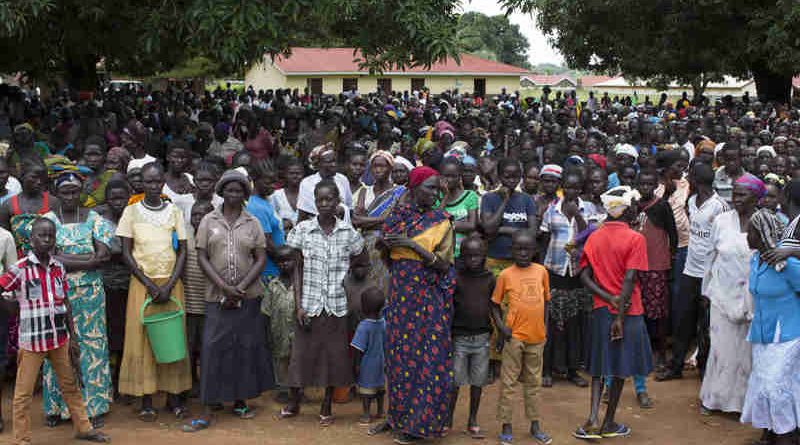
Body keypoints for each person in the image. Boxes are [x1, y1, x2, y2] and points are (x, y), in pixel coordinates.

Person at [0, 217, 109, 444]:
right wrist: (11, 307)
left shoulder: (58, 266)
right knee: (23, 395)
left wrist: (74, 337)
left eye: (51, 235)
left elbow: (65, 302)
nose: (47, 239)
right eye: (42, 235)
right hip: (31, 342)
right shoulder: (19, 269)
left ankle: (84, 428)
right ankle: (21, 439)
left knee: (71, 385)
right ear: (31, 239)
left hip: (59, 339)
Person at [185, 170, 273, 431]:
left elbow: (260, 258)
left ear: (245, 194)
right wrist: (224, 287)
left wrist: (241, 287)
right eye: (229, 190)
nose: (233, 195)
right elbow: (202, 257)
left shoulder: (253, 222)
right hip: (216, 297)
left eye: (239, 191)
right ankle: (208, 408)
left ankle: (240, 401)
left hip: (248, 297)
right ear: (221, 192)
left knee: (244, 348)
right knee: (212, 349)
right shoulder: (208, 220)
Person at [279, 179, 364, 426]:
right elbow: (296, 269)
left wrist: (351, 288)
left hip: (337, 305)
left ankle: (326, 404)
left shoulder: (349, 233)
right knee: (302, 354)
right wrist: (298, 305)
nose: (325, 204)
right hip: (310, 302)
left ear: (338, 202)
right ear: (314, 202)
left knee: (333, 356)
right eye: (320, 200)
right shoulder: (303, 230)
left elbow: (361, 262)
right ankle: (294, 400)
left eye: (329, 199)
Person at [381, 166, 455, 444]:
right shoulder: (398, 217)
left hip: (428, 298)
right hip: (401, 297)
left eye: (438, 189)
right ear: (413, 189)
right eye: (430, 188)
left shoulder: (442, 221)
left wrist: (414, 247)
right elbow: (386, 250)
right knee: (399, 356)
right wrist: (396, 246)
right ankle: (397, 417)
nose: (435, 194)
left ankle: (419, 425)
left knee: (427, 357)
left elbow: (445, 264)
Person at [574, 186, 652, 440]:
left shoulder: (594, 237)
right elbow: (630, 278)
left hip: (600, 308)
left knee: (598, 365)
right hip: (627, 312)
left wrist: (606, 297)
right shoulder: (635, 238)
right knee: (619, 367)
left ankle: (592, 419)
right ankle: (608, 423)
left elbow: (584, 276)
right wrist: (619, 313)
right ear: (625, 210)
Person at [116, 162, 192, 421]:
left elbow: (183, 249)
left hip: (170, 284)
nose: (153, 186)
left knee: (172, 340)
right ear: (141, 183)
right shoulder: (131, 211)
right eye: (148, 181)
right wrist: (148, 283)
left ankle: (174, 398)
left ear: (163, 183)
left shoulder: (174, 210)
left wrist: (169, 284)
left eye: (158, 181)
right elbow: (126, 252)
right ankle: (146, 400)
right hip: (142, 284)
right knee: (142, 339)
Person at [42, 172, 114, 429]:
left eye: (75, 191)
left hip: (91, 295)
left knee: (92, 345)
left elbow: (103, 255)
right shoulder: (48, 221)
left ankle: (94, 406)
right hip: (59, 293)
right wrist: (88, 260)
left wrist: (66, 259)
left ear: (81, 192)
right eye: (65, 192)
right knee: (59, 346)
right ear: (57, 194)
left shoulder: (96, 219)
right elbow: (49, 258)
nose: (71, 197)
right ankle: (57, 407)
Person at [699, 174, 763, 415]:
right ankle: (713, 399)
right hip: (721, 295)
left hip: (752, 299)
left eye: (742, 195)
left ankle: (742, 404)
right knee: (720, 350)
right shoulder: (722, 221)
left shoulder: (764, 222)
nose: (736, 199)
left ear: (756, 198)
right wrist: (705, 291)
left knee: (746, 354)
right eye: (734, 194)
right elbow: (710, 257)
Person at [658, 162, 728, 381]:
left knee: (706, 324)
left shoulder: (719, 206)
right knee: (682, 321)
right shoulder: (691, 201)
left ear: (697, 181)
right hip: (690, 270)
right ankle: (676, 366)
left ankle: (704, 368)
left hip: (710, 274)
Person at [740, 209, 799, 445]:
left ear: (762, 233)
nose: (746, 234)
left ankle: (786, 436)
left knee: (776, 386)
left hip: (788, 333)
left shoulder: (788, 264)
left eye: (751, 231)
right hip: (763, 332)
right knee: (762, 384)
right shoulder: (756, 260)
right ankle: (771, 435)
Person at [539, 171, 600, 388]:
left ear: (580, 189)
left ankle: (572, 371)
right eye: (568, 187)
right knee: (552, 323)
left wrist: (578, 216)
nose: (572, 191)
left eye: (576, 188)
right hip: (554, 271)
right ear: (562, 187)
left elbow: (592, 236)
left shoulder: (588, 209)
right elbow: (545, 240)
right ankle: (547, 370)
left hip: (576, 273)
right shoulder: (551, 209)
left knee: (574, 325)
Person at [491, 231, 552, 445]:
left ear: (535, 251)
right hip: (513, 337)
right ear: (512, 250)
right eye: (518, 249)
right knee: (508, 382)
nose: (523, 253)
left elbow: (546, 301)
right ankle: (506, 425)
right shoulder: (505, 275)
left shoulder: (542, 272)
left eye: (527, 249)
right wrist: (501, 328)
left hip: (537, 337)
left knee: (534, 382)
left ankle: (535, 424)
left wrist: (545, 326)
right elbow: (495, 304)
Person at [633, 169, 676, 394]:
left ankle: (660, 353)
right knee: (639, 310)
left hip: (657, 265)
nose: (646, 187)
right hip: (636, 265)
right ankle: (643, 352)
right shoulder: (633, 206)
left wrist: (671, 258)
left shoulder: (661, 206)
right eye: (643, 183)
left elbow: (673, 233)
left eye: (650, 183)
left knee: (657, 312)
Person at [447, 236, 495, 439]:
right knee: (455, 382)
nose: (473, 260)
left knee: (478, 382)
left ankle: (472, 419)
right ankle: (447, 419)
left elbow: (494, 306)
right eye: (468, 256)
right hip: (459, 337)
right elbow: (449, 307)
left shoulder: (490, 278)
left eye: (477, 255)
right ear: (462, 257)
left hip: (482, 337)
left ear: (484, 256)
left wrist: (499, 330)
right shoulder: (456, 277)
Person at [353, 151, 405, 294]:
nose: (378, 170)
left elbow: (397, 220)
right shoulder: (364, 191)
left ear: (390, 168)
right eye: (375, 166)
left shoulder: (399, 192)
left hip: (387, 246)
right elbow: (356, 221)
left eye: (382, 166)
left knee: (386, 284)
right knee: (367, 285)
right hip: (365, 246)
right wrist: (383, 219)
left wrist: (367, 221)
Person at [97, 179, 131, 400]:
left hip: (130, 283)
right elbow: (102, 253)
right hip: (106, 284)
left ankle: (122, 381)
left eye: (122, 198)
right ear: (107, 199)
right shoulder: (99, 219)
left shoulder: (134, 216)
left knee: (126, 335)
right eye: (113, 198)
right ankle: (107, 382)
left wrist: (117, 253)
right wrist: (122, 254)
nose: (118, 202)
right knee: (108, 334)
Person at [480, 158, 538, 276]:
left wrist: (502, 229)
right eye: (507, 177)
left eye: (516, 177)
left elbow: (532, 232)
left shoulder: (527, 199)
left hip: (519, 262)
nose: (512, 180)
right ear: (500, 176)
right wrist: (504, 201)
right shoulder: (489, 198)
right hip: (494, 260)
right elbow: (488, 229)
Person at [182, 200, 214, 397]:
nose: (198, 219)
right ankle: (191, 380)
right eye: (194, 215)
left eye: (202, 215)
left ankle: (207, 382)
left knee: (206, 346)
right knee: (190, 345)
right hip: (188, 300)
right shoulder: (185, 235)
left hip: (209, 301)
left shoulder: (214, 237)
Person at [262, 246, 297, 403]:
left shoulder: (301, 285)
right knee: (280, 361)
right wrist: (267, 333)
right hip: (278, 331)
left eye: (288, 261)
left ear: (295, 262)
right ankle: (282, 388)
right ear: (276, 264)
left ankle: (298, 388)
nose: (284, 264)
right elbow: (266, 311)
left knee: (296, 360)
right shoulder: (272, 285)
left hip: (297, 333)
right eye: (280, 261)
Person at [350, 286, 386, 426]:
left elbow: (358, 349)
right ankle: (381, 410)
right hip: (381, 362)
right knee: (380, 388)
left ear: (364, 307)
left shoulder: (363, 326)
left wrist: (356, 365)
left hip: (367, 365)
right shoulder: (383, 323)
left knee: (366, 391)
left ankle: (366, 414)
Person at [247, 159, 285, 283]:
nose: (273, 186)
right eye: (268, 182)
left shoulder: (265, 201)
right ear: (255, 179)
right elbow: (266, 243)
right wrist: (285, 263)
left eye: (275, 182)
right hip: (268, 272)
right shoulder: (256, 207)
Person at [297, 144, 352, 222]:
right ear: (318, 164)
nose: (334, 164)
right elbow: (303, 213)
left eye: (335, 160)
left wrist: (343, 209)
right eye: (329, 162)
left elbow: (350, 207)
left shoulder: (343, 180)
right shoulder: (307, 183)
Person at [439, 157, 479, 258]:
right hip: (442, 253)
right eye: (446, 176)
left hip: (463, 254)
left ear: (459, 177)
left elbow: (471, 225)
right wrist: (445, 196)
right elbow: (435, 221)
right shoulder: (436, 196)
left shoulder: (470, 196)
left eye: (454, 176)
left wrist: (445, 226)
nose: (449, 180)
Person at [162, 140, 197, 226]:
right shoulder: (160, 182)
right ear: (168, 157)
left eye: (183, 157)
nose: (179, 160)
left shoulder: (191, 179)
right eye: (175, 156)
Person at [270, 158, 303, 232]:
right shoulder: (276, 195)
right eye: (291, 173)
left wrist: (291, 223)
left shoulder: (308, 194)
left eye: (298, 173)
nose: (295, 176)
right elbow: (271, 219)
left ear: (303, 175)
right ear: (285, 174)